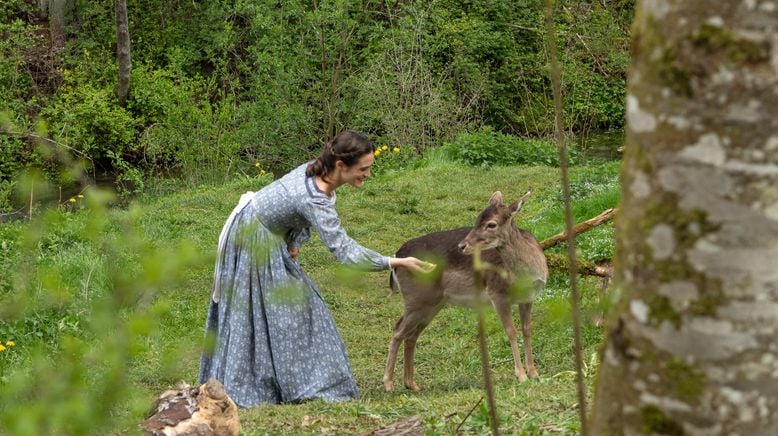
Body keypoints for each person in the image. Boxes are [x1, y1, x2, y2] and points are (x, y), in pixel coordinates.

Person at [198, 129, 432, 407]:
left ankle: (296, 380)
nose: (368, 174)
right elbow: (344, 251)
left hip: (270, 235)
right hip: (251, 239)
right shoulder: (315, 196)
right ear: (341, 166)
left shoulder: (318, 171)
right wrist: (394, 261)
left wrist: (291, 241)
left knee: (292, 308)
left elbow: (290, 210)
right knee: (269, 311)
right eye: (364, 168)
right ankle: (267, 384)